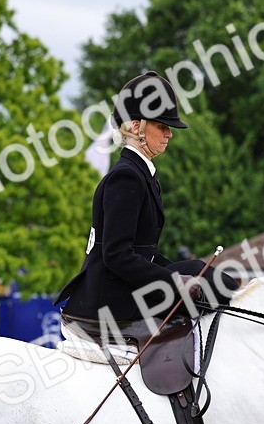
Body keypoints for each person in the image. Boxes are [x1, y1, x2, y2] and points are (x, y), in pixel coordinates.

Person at [54, 71, 240, 340]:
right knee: (215, 284)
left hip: (125, 283)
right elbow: (117, 255)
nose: (169, 134)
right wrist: (174, 282)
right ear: (136, 126)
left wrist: (179, 272)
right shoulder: (126, 176)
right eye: (162, 126)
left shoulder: (142, 173)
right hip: (111, 297)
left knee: (209, 276)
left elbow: (144, 253)